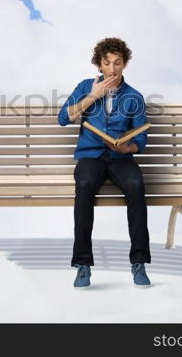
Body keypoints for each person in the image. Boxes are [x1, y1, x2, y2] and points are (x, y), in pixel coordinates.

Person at [58, 37, 151, 288]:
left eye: (117, 63)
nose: (112, 68)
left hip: (121, 157)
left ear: (124, 65)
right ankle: (83, 265)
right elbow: (62, 118)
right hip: (91, 156)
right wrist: (92, 96)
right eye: (107, 63)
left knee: (135, 184)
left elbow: (140, 137)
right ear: (99, 64)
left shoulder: (134, 96)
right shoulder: (85, 86)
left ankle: (139, 262)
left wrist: (127, 146)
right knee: (85, 184)